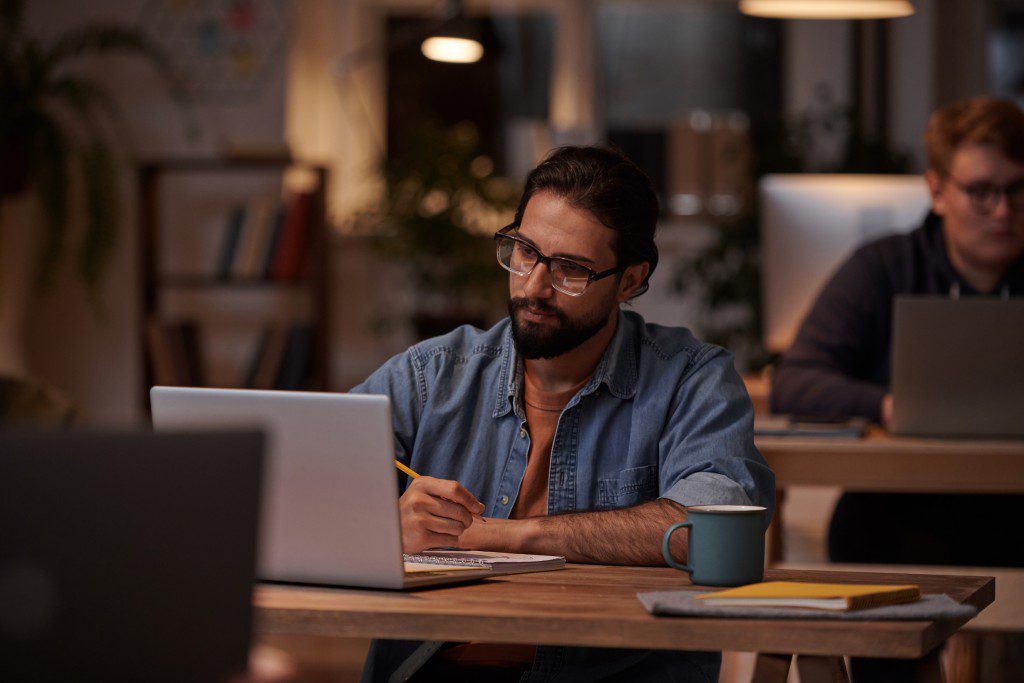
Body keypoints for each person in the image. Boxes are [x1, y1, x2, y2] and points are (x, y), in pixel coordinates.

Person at [353, 145, 775, 683]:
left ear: (629, 280)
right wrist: (384, 526)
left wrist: (501, 536)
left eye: (571, 269)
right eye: (525, 252)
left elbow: (713, 528)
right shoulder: (431, 375)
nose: (533, 286)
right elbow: (300, 482)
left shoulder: (691, 379)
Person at [772, 96, 1024, 679]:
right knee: (861, 531)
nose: (1003, 210)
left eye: (1017, 190)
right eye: (982, 191)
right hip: (904, 510)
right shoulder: (883, 267)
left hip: (1017, 504)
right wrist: (888, 404)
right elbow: (795, 382)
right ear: (937, 192)